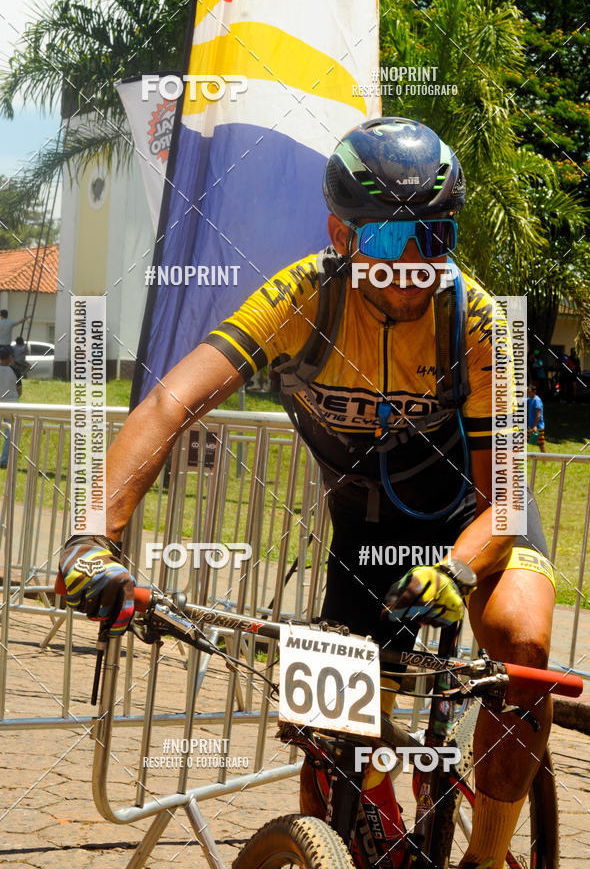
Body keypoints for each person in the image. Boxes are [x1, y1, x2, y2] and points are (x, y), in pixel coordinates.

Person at [58, 117, 556, 869]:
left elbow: (507, 500)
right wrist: (94, 537)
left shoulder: (480, 320)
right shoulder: (301, 298)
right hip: (363, 532)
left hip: (475, 525)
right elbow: (170, 403)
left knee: (523, 645)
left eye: (437, 238)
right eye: (391, 241)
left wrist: (456, 570)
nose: (415, 266)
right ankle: (370, 815)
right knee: (329, 760)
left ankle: (486, 858)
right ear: (341, 234)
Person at [0, 346, 21, 467]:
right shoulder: (15, 371)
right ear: (9, 357)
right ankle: (5, 460)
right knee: (10, 433)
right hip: (11, 404)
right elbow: (20, 391)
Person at [527, 383, 546, 452]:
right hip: (531, 426)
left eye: (529, 392)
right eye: (527, 392)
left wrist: (535, 426)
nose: (527, 393)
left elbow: (538, 414)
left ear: (534, 392)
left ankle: (545, 460)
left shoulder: (536, 400)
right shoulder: (530, 399)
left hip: (538, 427)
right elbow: (521, 400)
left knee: (541, 445)